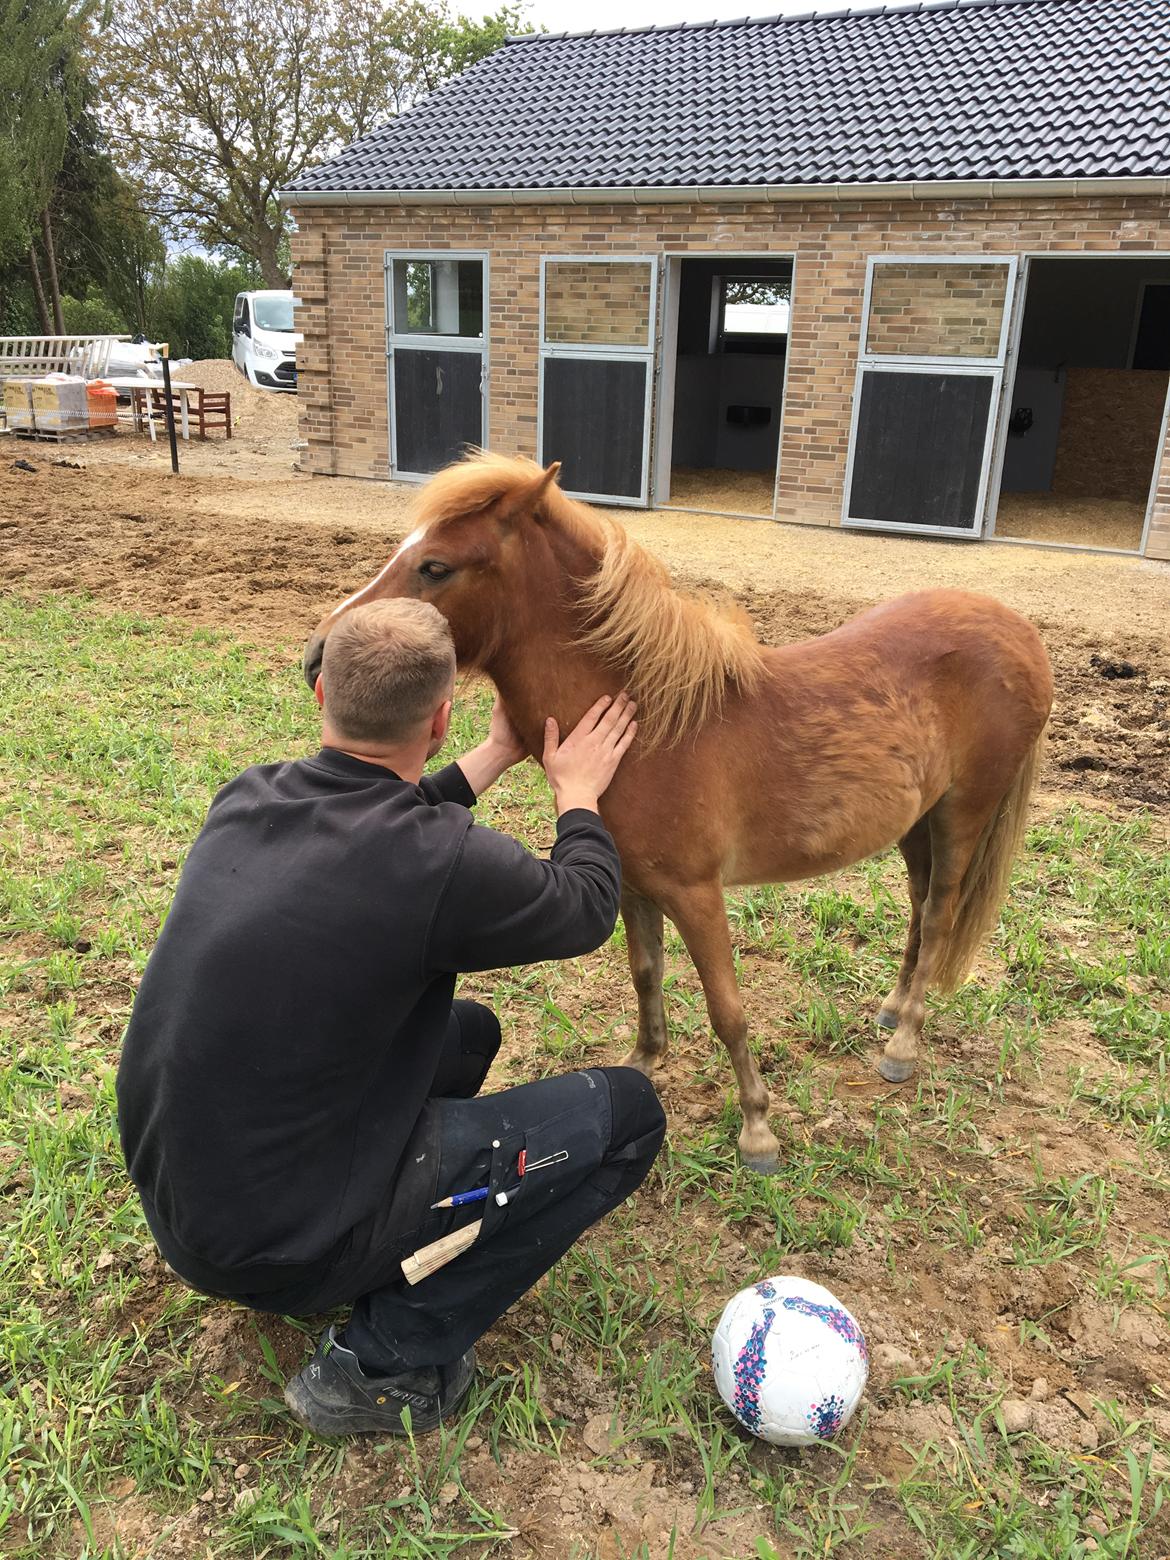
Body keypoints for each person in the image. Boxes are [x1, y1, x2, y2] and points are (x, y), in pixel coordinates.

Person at [116, 597, 666, 1437]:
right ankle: (383, 1360)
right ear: (442, 716)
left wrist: (493, 757)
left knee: (470, 1031)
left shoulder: (249, 797)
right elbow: (586, 905)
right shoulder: (440, 860)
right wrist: (578, 793)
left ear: (321, 695)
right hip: (280, 1245)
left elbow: (391, 815)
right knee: (628, 1117)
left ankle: (370, 1230)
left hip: (188, 1205)